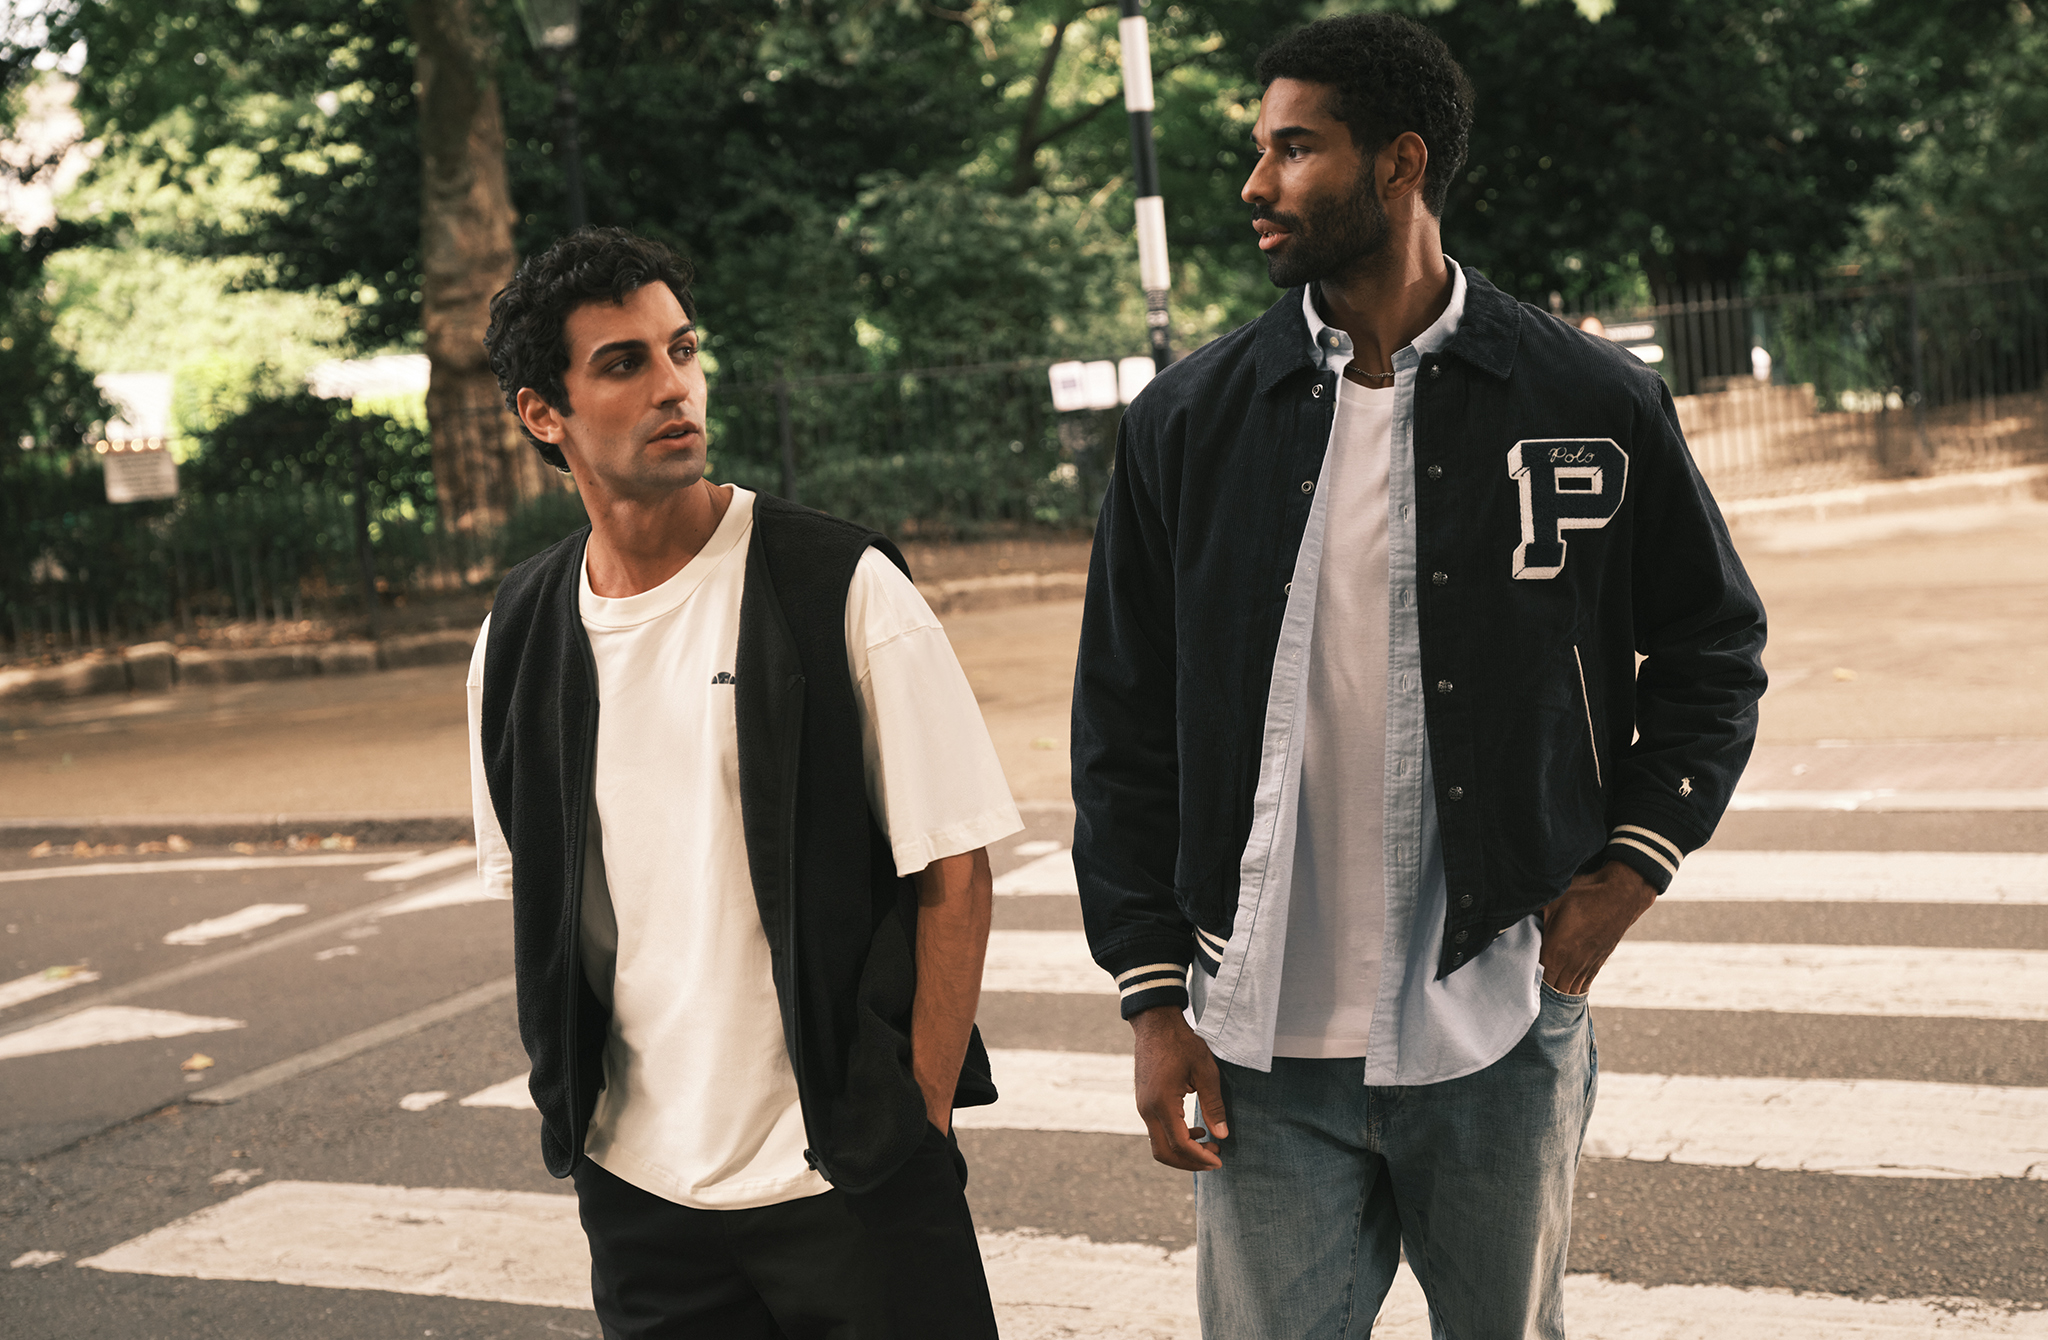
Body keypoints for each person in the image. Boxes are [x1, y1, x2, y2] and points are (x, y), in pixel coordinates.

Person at [1070, 14, 1767, 1338]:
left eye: (1294, 149)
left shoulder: (1588, 399)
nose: (1256, 185)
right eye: (1257, 151)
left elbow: (1710, 647)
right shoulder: (1189, 424)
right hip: (1258, 1036)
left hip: (1495, 1018)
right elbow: (1121, 729)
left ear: (1399, 164)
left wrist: (1624, 876)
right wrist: (1153, 999)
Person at [467, 226, 1021, 1339]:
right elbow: (538, 902)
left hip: (846, 1176)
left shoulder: (839, 584)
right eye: (623, 363)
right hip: (642, 1194)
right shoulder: (518, 636)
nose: (673, 385)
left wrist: (911, 1120)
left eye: (682, 348)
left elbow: (953, 864)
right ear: (543, 412)